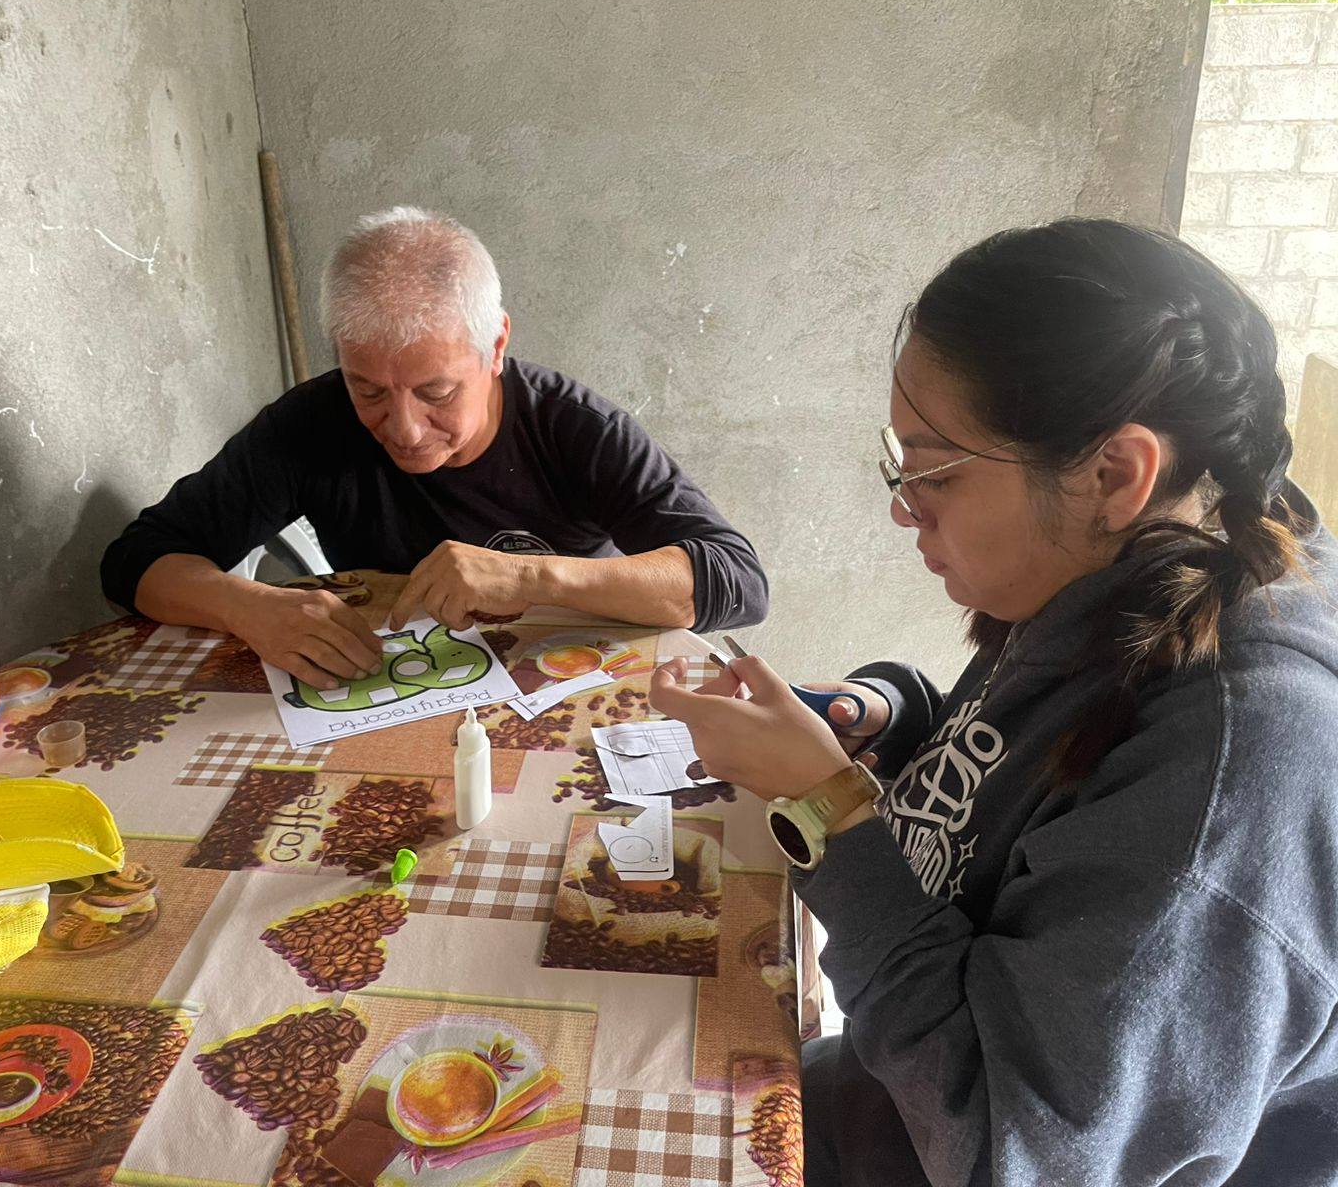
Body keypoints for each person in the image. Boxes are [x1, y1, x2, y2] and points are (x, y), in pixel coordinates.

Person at [652, 219, 1338, 1185]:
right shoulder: (1141, 571)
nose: (904, 506)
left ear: (1114, 474)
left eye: (933, 470)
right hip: (879, 1089)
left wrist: (828, 808)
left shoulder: (1238, 775)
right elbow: (1024, 780)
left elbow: (1003, 1151)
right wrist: (889, 715)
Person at [100, 206, 767, 689]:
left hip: (563, 681)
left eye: (437, 392)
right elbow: (136, 561)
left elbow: (737, 581)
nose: (405, 429)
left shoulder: (572, 427)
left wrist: (531, 578)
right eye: (368, 390)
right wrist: (247, 606)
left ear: (496, 347)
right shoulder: (310, 424)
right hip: (398, 687)